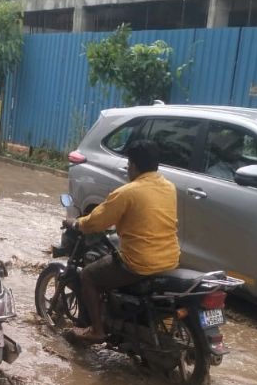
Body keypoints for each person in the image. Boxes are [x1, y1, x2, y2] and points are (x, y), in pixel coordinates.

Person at [63, 140, 180, 342]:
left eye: (128, 165)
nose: (128, 169)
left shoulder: (127, 192)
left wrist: (75, 223)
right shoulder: (169, 187)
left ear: (133, 165)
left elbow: (95, 222)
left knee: (89, 276)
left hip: (139, 262)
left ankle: (97, 330)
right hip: (170, 258)